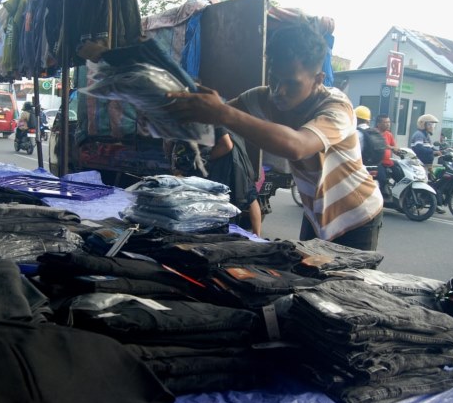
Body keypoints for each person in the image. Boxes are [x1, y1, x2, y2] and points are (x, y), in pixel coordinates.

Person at [165, 22, 383, 251]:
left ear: (318, 79)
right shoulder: (263, 98)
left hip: (358, 218)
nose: (279, 91)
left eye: (291, 84)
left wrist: (222, 112)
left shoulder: (336, 107)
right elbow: (215, 118)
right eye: (274, 79)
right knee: (309, 281)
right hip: (315, 217)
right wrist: (177, 111)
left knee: (346, 286)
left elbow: (296, 145)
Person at [166, 127, 263, 236]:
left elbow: (227, 145)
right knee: (245, 194)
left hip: (228, 160)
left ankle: (256, 235)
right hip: (218, 154)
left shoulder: (211, 120)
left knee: (245, 194)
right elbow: (170, 144)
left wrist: (204, 159)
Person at [375, 114, 399, 193]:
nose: (388, 124)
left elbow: (394, 147)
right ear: (378, 124)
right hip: (378, 162)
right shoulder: (374, 133)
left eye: (388, 122)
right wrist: (391, 147)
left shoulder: (389, 134)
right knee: (382, 179)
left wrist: (398, 151)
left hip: (389, 162)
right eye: (385, 122)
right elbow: (382, 145)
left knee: (400, 174)